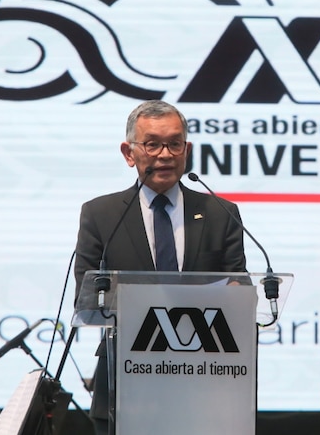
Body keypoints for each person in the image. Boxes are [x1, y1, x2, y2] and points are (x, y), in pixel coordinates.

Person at [73, 100, 248, 435]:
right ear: (129, 153)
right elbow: (89, 295)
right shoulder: (102, 214)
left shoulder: (220, 212)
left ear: (187, 149)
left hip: (206, 383)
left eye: (175, 143)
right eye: (152, 143)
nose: (165, 154)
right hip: (124, 383)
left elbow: (238, 290)